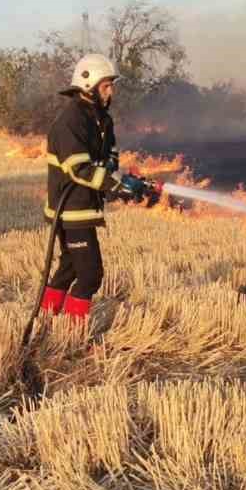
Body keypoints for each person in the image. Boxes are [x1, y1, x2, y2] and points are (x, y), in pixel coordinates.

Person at [39, 54, 156, 323]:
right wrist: (115, 184)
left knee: (69, 268)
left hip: (84, 206)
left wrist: (123, 181)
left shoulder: (102, 119)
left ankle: (48, 321)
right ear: (88, 85)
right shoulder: (71, 121)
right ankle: (73, 335)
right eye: (106, 85)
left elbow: (110, 155)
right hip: (70, 210)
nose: (111, 91)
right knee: (91, 275)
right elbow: (79, 168)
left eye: (111, 85)